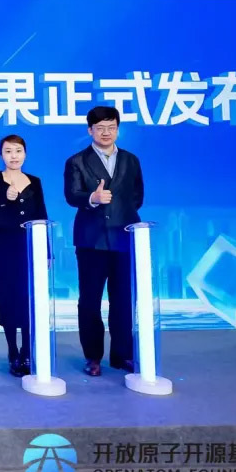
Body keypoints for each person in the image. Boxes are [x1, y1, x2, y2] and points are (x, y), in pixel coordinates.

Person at [64, 105, 145, 377]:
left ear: (118, 130)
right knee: (90, 302)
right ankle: (93, 357)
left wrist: (120, 214)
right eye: (100, 128)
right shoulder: (76, 161)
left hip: (124, 239)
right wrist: (93, 198)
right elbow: (71, 195)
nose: (106, 132)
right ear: (90, 130)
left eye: (111, 127)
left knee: (123, 300)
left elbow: (137, 197)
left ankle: (123, 355)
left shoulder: (131, 160)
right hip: (91, 242)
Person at [0, 134, 48, 377]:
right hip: (6, 244)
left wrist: (47, 251)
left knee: (29, 297)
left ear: (25, 154)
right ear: (1, 155)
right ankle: (12, 351)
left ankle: (28, 351)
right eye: (8, 151)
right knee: (8, 295)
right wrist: (7, 195)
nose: (14, 156)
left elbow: (42, 214)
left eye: (18, 151)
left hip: (31, 244)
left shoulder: (35, 181)